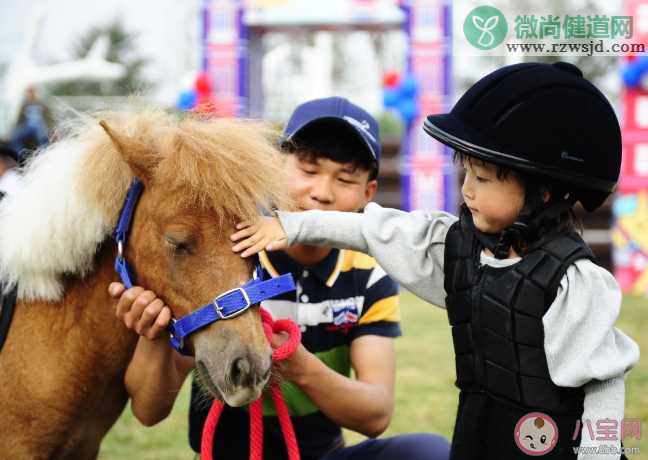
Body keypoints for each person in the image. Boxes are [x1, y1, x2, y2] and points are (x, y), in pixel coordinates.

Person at [231, 63, 640, 460]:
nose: (467, 191)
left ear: (543, 191)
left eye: (482, 179)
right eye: (466, 174)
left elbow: (602, 384)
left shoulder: (574, 283)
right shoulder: (456, 248)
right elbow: (374, 231)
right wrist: (292, 227)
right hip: (480, 428)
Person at [110, 97, 451, 460]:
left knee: (428, 452)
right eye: (308, 170)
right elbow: (148, 412)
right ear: (273, 167)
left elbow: (375, 413)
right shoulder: (225, 254)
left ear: (368, 193)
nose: (322, 192)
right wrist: (155, 336)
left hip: (322, 454)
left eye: (345, 178)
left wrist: (301, 368)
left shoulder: (367, 273)